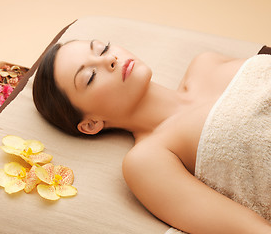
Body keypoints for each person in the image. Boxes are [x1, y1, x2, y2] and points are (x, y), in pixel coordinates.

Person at [33, 40, 271, 233]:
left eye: (103, 49)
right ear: (91, 124)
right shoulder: (147, 160)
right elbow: (252, 230)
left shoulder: (206, 62)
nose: (110, 59)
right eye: (90, 77)